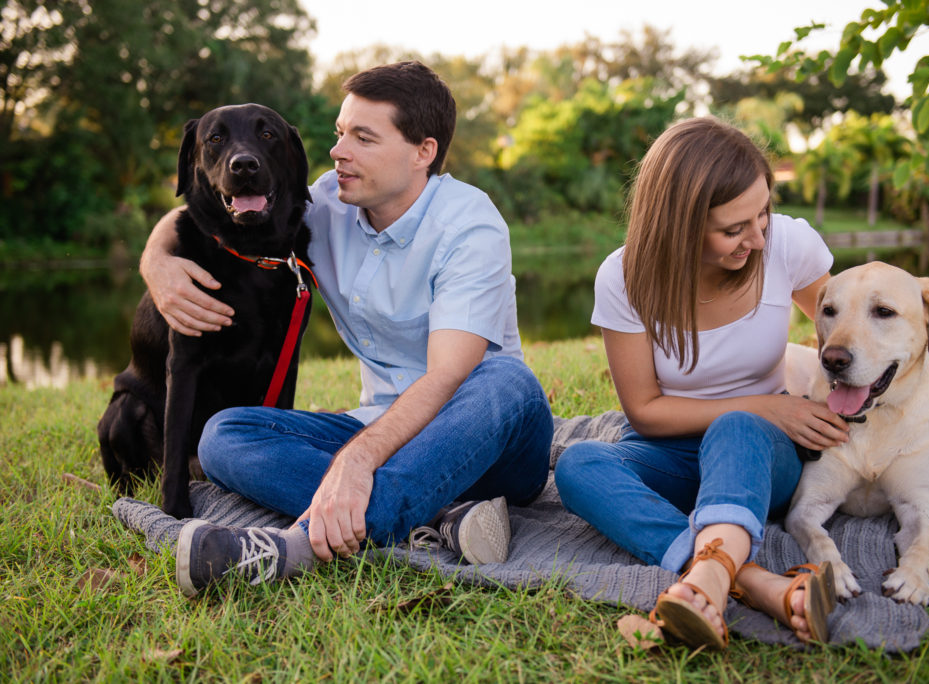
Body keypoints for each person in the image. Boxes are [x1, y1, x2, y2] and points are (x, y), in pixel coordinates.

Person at [140, 61, 553, 596]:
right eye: (340, 133)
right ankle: (438, 516)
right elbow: (195, 212)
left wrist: (357, 460)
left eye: (362, 137)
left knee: (506, 380)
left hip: (487, 442)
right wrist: (156, 259)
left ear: (422, 151)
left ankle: (297, 545)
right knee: (224, 436)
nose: (338, 152)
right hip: (376, 426)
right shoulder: (330, 202)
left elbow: (447, 379)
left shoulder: (470, 225)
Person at [553, 117, 849, 649]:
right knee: (578, 463)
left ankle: (709, 579)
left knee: (738, 425)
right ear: (680, 225)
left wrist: (787, 408)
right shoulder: (624, 277)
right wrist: (763, 403)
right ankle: (751, 581)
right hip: (669, 452)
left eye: (762, 214)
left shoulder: (785, 246)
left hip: (758, 453)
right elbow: (643, 411)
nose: (757, 238)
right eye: (734, 229)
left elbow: (846, 336)